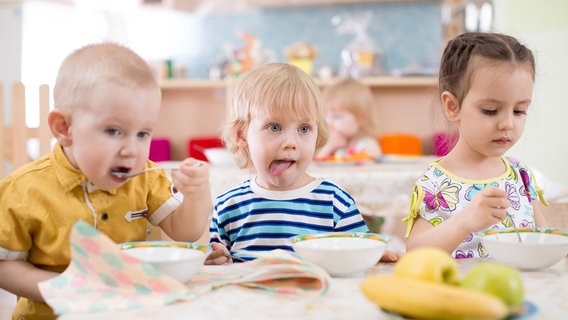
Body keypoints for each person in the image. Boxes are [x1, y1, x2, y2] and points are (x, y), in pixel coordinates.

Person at [0, 43, 212, 319]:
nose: (132, 150)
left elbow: (186, 233)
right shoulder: (23, 189)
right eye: (114, 131)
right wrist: (61, 288)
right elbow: (4, 265)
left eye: (142, 134)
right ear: (64, 128)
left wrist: (196, 195)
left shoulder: (146, 178)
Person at [205, 63, 398, 265]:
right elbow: (219, 263)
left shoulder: (335, 203)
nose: (291, 143)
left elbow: (360, 254)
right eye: (274, 127)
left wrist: (373, 255)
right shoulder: (228, 205)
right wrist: (215, 260)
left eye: (304, 129)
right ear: (241, 135)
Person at [403, 32, 548, 259]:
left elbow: (544, 240)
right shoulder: (436, 183)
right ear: (453, 106)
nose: (507, 123)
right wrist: (464, 222)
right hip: (462, 293)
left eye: (519, 110)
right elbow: (415, 253)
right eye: (490, 110)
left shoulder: (520, 175)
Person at [315, 78, 381, 160]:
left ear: (361, 118)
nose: (329, 122)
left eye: (336, 117)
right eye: (326, 115)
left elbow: (375, 168)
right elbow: (316, 163)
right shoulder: (331, 143)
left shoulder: (367, 144)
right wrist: (329, 147)